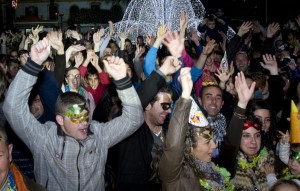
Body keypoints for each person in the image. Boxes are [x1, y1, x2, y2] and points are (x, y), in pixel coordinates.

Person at [3, 37, 144, 190]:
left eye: (86, 116)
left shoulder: (99, 135)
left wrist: (122, 80)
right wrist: (33, 65)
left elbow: (135, 119)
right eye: (77, 117)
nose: (84, 122)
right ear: (60, 119)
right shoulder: (43, 140)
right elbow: (12, 108)